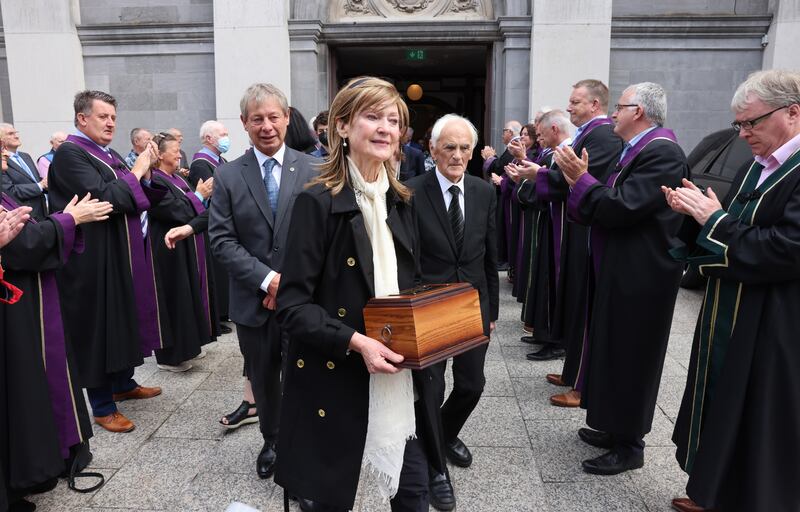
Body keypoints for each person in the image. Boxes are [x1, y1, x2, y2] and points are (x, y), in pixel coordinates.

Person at [275, 76, 443, 512]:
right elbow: (293, 308)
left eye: (394, 119)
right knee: (333, 499)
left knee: (413, 497)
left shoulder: (402, 201)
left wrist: (440, 324)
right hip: (338, 377)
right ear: (342, 127)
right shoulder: (317, 202)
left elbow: (414, 287)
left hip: (400, 381)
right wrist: (358, 343)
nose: (386, 128)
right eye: (373, 117)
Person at [664, 69, 800, 512]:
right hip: (732, 307)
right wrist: (692, 212)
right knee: (724, 403)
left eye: (751, 123)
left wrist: (715, 220)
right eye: (738, 124)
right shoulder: (754, 166)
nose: (742, 134)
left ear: (792, 113)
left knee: (757, 414)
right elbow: (730, 232)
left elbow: (786, 249)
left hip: (775, 319)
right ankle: (714, 489)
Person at [555, 81, 688, 476]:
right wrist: (581, 181)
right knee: (613, 348)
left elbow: (624, 206)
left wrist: (581, 179)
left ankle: (630, 444)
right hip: (622, 267)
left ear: (640, 113)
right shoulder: (639, 150)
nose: (613, 113)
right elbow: (609, 201)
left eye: (621, 107)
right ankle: (613, 427)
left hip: (643, 275)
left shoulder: (663, 153)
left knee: (633, 355)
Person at [209, 83, 318, 480]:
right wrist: (269, 280)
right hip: (254, 303)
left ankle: (304, 438)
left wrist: (293, 283)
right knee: (264, 377)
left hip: (305, 300)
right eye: (258, 119)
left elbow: (324, 236)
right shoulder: (227, 176)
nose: (267, 126)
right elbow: (221, 240)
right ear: (244, 124)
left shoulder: (314, 169)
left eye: (274, 117)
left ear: (287, 118)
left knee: (306, 373)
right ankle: (272, 440)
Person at [1, 144, 113, 510]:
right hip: (17, 307)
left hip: (31, 300)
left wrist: (62, 218)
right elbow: (23, 246)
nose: (5, 153)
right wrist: (70, 220)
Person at [48, 90, 166, 434]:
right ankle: (101, 405)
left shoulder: (106, 152)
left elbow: (132, 195)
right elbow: (106, 199)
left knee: (121, 318)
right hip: (91, 259)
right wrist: (138, 170)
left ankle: (122, 382)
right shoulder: (70, 155)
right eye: (103, 117)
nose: (111, 122)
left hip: (119, 251)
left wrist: (146, 173)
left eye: (113, 116)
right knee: (98, 326)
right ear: (82, 119)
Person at [406, 114, 499, 512]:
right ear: (433, 150)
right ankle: (435, 468)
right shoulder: (410, 192)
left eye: (465, 148)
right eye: (450, 147)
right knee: (430, 387)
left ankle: (440, 434)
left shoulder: (483, 192)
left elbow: (489, 255)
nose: (457, 155)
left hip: (472, 304)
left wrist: (490, 308)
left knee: (472, 385)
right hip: (429, 306)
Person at [536, 80, 623, 406]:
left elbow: (582, 178)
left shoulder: (601, 135)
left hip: (588, 228)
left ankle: (580, 380)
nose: (569, 107)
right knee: (577, 302)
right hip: (578, 224)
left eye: (575, 102)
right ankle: (573, 370)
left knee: (584, 303)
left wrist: (540, 176)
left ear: (595, 105)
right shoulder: (591, 133)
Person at [149, 132, 219, 372]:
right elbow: (176, 210)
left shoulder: (176, 178)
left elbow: (189, 208)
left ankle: (190, 346)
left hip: (184, 244)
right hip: (167, 247)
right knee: (173, 298)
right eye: (175, 150)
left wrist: (197, 197)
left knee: (187, 296)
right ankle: (170, 356)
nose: (180, 154)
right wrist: (200, 195)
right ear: (159, 155)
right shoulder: (155, 181)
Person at [507, 110, 573, 357]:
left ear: (554, 129)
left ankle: (555, 340)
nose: (538, 137)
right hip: (550, 221)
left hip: (560, 223)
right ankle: (545, 333)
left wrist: (529, 178)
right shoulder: (555, 154)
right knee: (545, 277)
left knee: (552, 279)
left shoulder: (566, 152)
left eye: (541, 132)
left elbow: (558, 186)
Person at [188, 120, 232, 335]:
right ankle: (218, 315)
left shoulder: (219, 159)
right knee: (216, 272)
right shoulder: (200, 163)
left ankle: (224, 312)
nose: (226, 137)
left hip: (224, 221)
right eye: (222, 134)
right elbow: (211, 195)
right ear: (209, 138)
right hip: (211, 223)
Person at [481, 120, 521, 270]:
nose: (502, 134)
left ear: (510, 133)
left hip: (508, 196)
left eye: (504, 130)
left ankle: (502, 259)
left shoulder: (513, 146)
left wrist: (490, 158)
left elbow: (499, 168)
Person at [0, 123, 49, 220]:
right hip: (23, 217)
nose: (16, 136)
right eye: (11, 133)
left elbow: (34, 181)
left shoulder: (25, 156)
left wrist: (48, 182)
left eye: (16, 133)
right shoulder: (2, 162)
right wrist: (40, 186)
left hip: (42, 212)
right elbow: (9, 190)